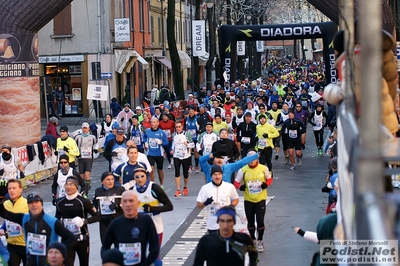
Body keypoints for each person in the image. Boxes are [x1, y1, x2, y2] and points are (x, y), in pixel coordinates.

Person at [0, 192, 76, 266]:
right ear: (28, 205)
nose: (34, 205)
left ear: (41, 203)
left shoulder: (52, 221)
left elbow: (71, 238)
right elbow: (4, 213)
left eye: (36, 201)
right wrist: (1, 196)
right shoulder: (24, 219)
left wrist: (60, 253)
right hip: (30, 263)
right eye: (31, 202)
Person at [101, 191, 159, 266]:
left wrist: (145, 264)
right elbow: (105, 247)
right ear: (121, 204)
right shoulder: (115, 223)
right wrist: (108, 262)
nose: (128, 205)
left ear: (138, 203)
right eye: (125, 201)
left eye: (131, 201)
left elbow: (154, 247)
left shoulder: (146, 221)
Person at [55, 175, 100, 266]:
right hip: (67, 239)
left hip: (82, 239)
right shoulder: (60, 202)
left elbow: (98, 216)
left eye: (71, 184)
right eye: (66, 184)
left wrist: (84, 221)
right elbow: (57, 218)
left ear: (77, 186)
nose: (68, 187)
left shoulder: (83, 202)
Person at [132, 167, 173, 266]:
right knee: (137, 257)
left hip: (155, 229)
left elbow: (169, 206)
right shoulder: (132, 190)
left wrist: (152, 209)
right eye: (137, 177)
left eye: (142, 176)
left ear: (147, 176)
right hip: (139, 229)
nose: (140, 179)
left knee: (154, 256)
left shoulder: (154, 188)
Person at [234, 150, 273, 253]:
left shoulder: (263, 168)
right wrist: (240, 187)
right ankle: (253, 239)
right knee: (250, 223)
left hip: (260, 199)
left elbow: (269, 179)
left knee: (260, 221)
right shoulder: (243, 170)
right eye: (249, 160)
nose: (251, 162)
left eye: (253, 159)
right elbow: (236, 182)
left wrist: (266, 185)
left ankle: (260, 240)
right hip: (249, 199)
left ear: (257, 159)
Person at [193, 206, 258, 266]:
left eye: (229, 221)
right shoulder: (206, 241)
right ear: (218, 222)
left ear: (234, 222)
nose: (225, 225)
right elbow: (197, 264)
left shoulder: (244, 239)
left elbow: (254, 255)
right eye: (222, 221)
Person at [196, 165, 239, 233]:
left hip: (226, 224)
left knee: (225, 243)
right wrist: (205, 203)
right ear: (211, 176)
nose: (217, 177)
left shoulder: (229, 186)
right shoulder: (205, 188)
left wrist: (231, 206)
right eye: (215, 174)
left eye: (219, 174)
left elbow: (236, 199)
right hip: (212, 225)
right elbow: (199, 205)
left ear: (222, 175)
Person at [0, 179, 28, 266]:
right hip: (11, 245)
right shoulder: (5, 204)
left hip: (25, 245)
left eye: (14, 188)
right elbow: (7, 220)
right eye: (9, 188)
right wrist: (2, 229)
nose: (11, 190)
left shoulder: (27, 203)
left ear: (21, 189)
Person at [93, 171, 125, 245]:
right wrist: (96, 213)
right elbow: (95, 203)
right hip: (104, 223)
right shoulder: (98, 191)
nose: (110, 182)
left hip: (118, 221)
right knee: (105, 245)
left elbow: (127, 204)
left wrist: (117, 206)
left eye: (112, 179)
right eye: (108, 179)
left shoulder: (120, 189)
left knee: (119, 245)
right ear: (102, 181)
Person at [170, 121, 194, 197]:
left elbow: (193, 144)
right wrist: (172, 149)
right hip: (176, 155)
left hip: (185, 156)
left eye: (179, 127)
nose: (178, 128)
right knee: (177, 172)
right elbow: (173, 144)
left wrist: (188, 144)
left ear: (182, 127)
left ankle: (185, 187)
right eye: (176, 127)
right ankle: (178, 190)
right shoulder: (174, 135)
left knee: (185, 173)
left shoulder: (187, 134)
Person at [143, 118, 169, 187]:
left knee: (160, 171)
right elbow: (144, 137)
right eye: (151, 122)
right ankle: (152, 186)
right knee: (151, 170)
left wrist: (161, 142)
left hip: (159, 154)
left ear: (158, 123)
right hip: (150, 153)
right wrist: (145, 142)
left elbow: (166, 143)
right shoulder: (147, 131)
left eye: (154, 122)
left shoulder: (161, 132)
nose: (152, 124)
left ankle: (161, 184)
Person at [75, 122, 98, 190]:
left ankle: (86, 190)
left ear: (89, 129)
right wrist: (77, 153)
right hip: (80, 158)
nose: (85, 130)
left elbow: (95, 144)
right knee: (81, 176)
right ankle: (83, 188)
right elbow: (75, 146)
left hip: (89, 158)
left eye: (86, 128)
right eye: (83, 128)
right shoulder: (77, 137)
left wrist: (95, 149)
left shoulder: (92, 137)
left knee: (87, 174)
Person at [186, 106, 200, 173]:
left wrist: (199, 132)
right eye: (190, 111)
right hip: (189, 138)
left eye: (192, 111)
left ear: (194, 112)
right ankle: (190, 166)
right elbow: (185, 128)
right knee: (189, 153)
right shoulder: (187, 118)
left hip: (195, 138)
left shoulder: (197, 118)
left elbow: (200, 127)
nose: (191, 112)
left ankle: (196, 166)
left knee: (196, 152)